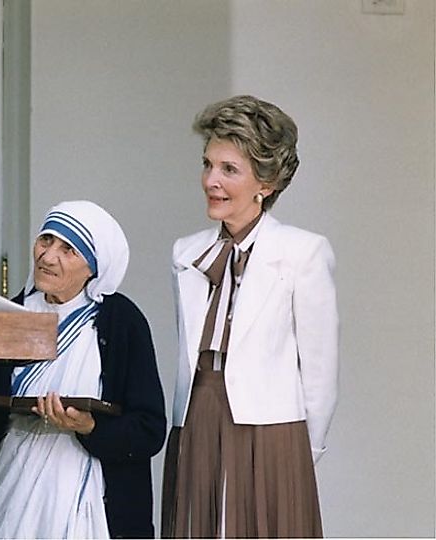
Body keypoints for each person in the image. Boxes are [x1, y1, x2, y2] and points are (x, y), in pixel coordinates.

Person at [161, 95, 339, 538]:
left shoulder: (304, 253)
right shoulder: (186, 253)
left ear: (267, 182)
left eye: (228, 170)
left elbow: (319, 372)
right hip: (197, 418)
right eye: (208, 165)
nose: (211, 181)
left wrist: (300, 450)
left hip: (274, 430)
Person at [0, 200, 166, 539]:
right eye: (46, 240)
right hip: (12, 491)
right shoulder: (8, 315)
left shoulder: (123, 323)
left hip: (96, 501)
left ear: (94, 266)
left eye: (68, 249)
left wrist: (90, 426)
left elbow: (149, 429)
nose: (47, 257)